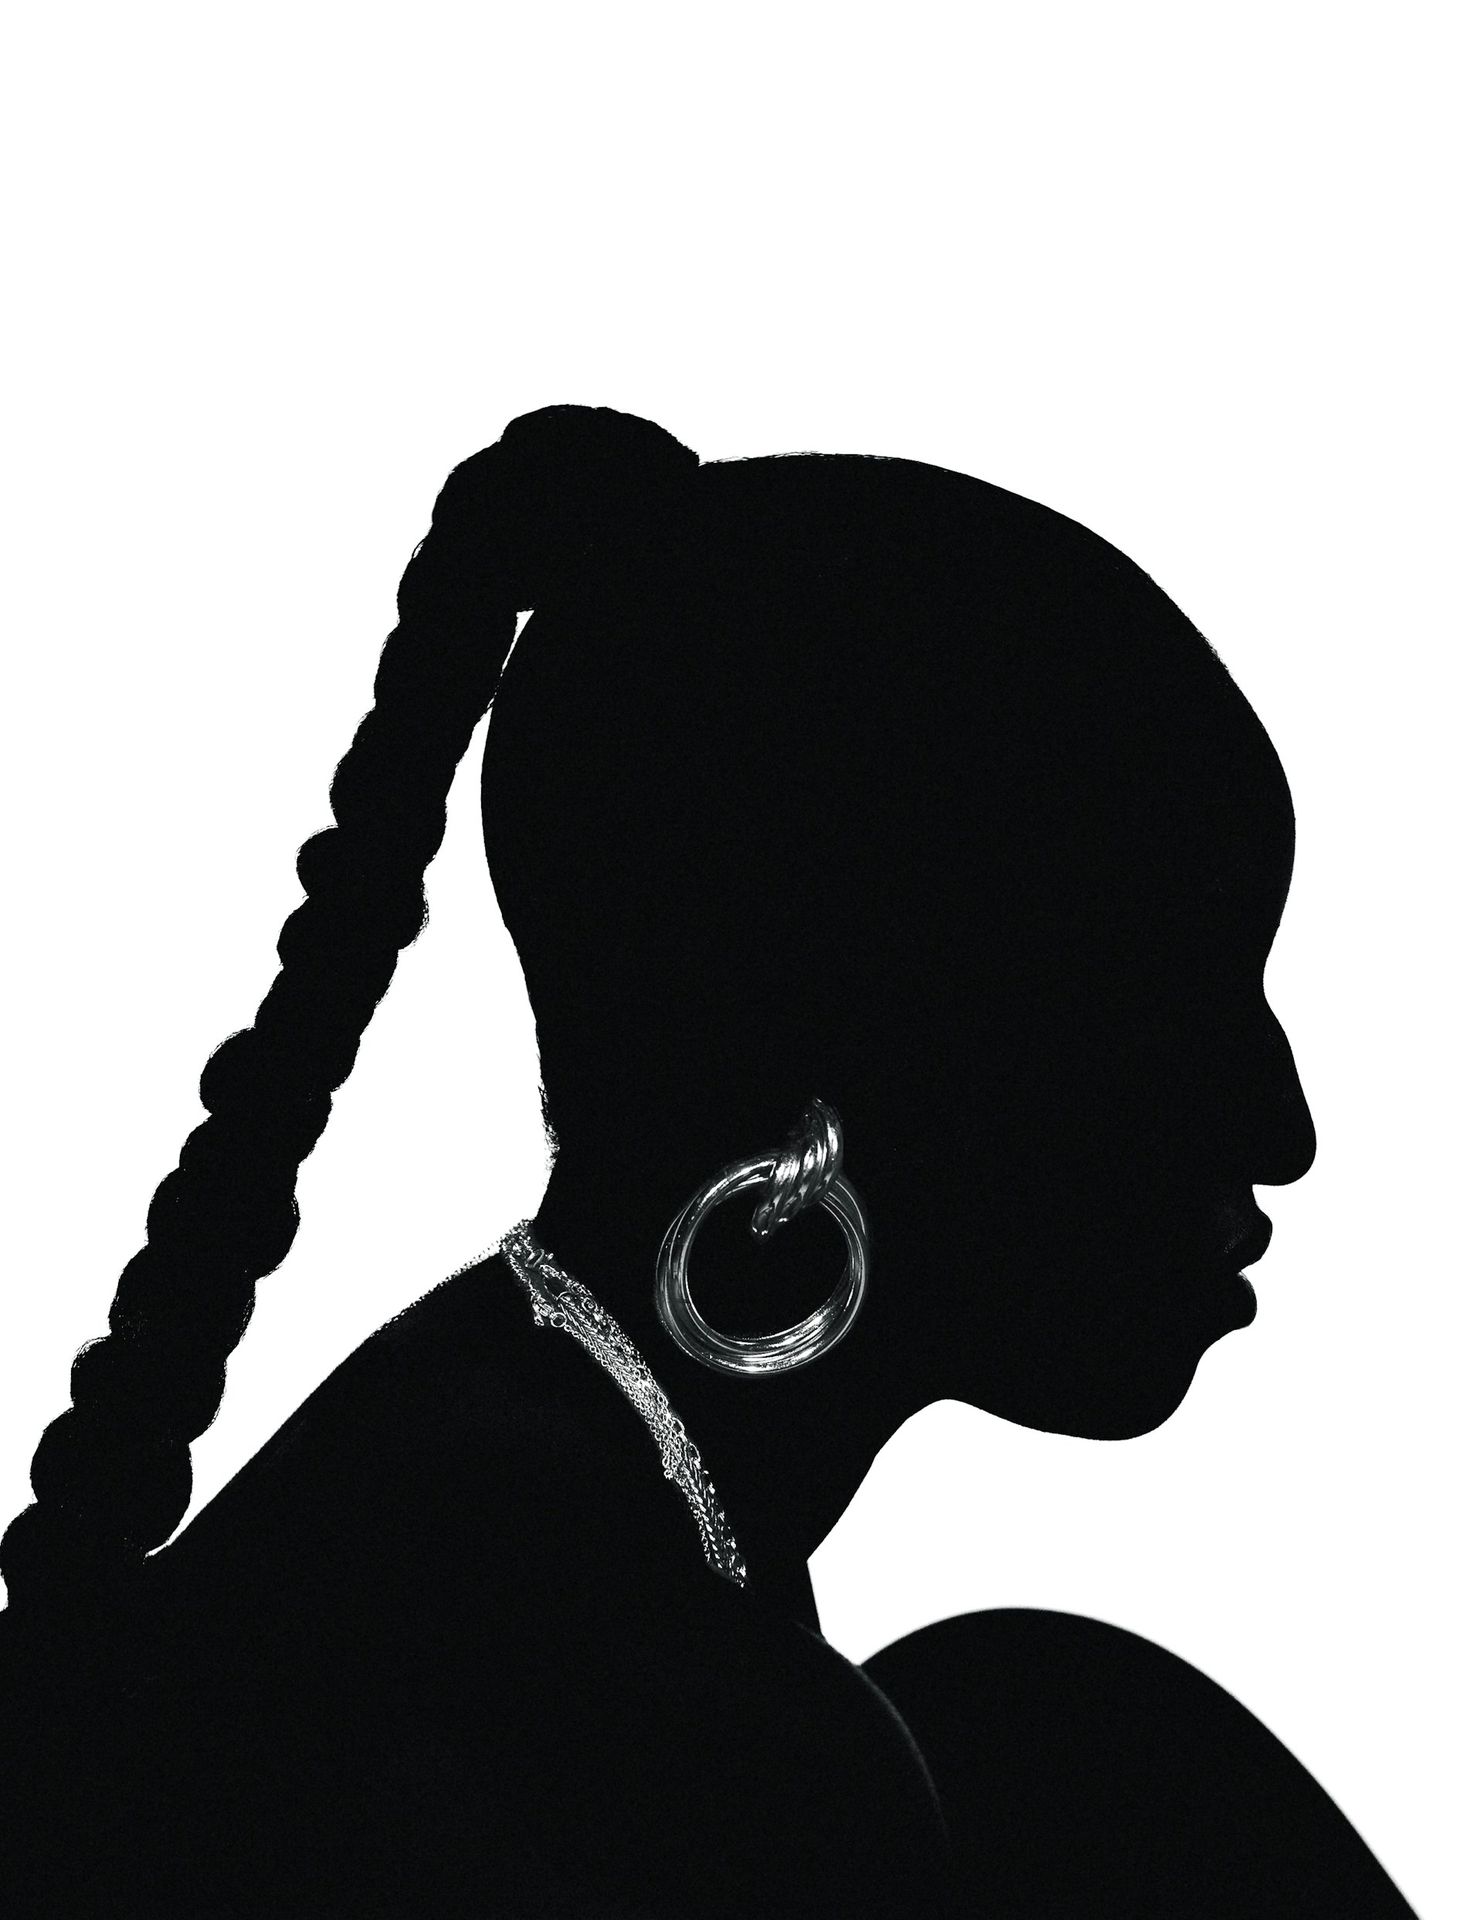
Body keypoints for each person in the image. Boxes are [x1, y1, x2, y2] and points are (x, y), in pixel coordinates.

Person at [0, 406, 1416, 1915]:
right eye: (1177, 996)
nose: (1284, 1129)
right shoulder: (655, 1732)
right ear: (853, 1059)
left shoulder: (520, 1508)